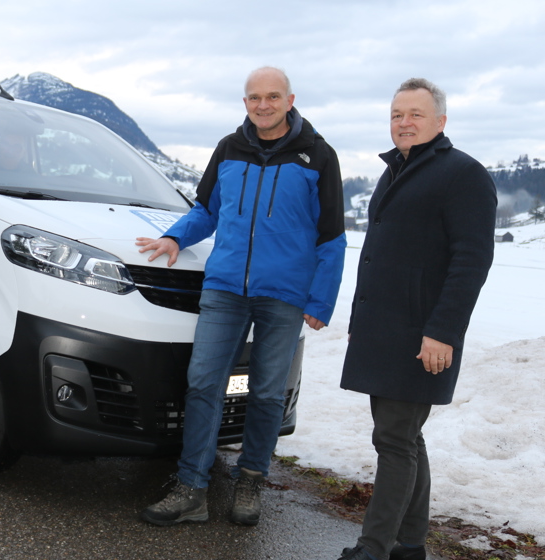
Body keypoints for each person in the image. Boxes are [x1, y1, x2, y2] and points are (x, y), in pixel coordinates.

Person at [136, 67, 346, 527]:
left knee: (268, 393)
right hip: (226, 288)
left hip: (284, 295)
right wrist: (175, 238)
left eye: (272, 97)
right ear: (245, 102)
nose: (263, 105)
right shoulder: (229, 149)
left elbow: (331, 236)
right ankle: (192, 487)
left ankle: (251, 479)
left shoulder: (318, 156)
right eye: (254, 97)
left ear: (290, 100)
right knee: (204, 383)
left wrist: (320, 299)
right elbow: (207, 210)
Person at [336, 79, 496, 560]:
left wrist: (443, 332)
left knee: (393, 439)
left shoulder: (462, 174)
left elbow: (471, 260)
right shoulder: (396, 172)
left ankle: (374, 547)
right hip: (383, 331)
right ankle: (409, 546)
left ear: (441, 122)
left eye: (415, 114)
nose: (403, 122)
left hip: (421, 335)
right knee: (405, 437)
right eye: (396, 114)